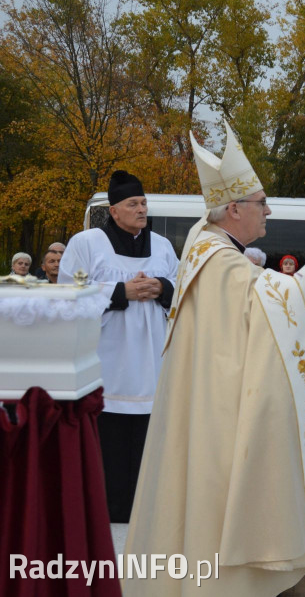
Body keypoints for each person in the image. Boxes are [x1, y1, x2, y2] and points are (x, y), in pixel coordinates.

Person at [124, 122, 305, 596]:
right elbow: (269, 308)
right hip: (222, 419)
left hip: (213, 404)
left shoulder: (212, 249)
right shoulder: (218, 258)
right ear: (235, 209)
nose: (269, 210)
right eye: (262, 202)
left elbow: (260, 307)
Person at [58, 170, 178, 523]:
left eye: (143, 203)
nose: (141, 209)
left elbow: (184, 290)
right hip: (107, 360)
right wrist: (119, 292)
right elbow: (67, 295)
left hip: (152, 359)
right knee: (109, 442)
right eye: (133, 204)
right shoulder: (87, 243)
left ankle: (146, 511)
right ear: (113, 211)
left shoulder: (163, 245)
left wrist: (161, 288)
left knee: (147, 441)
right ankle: (105, 511)